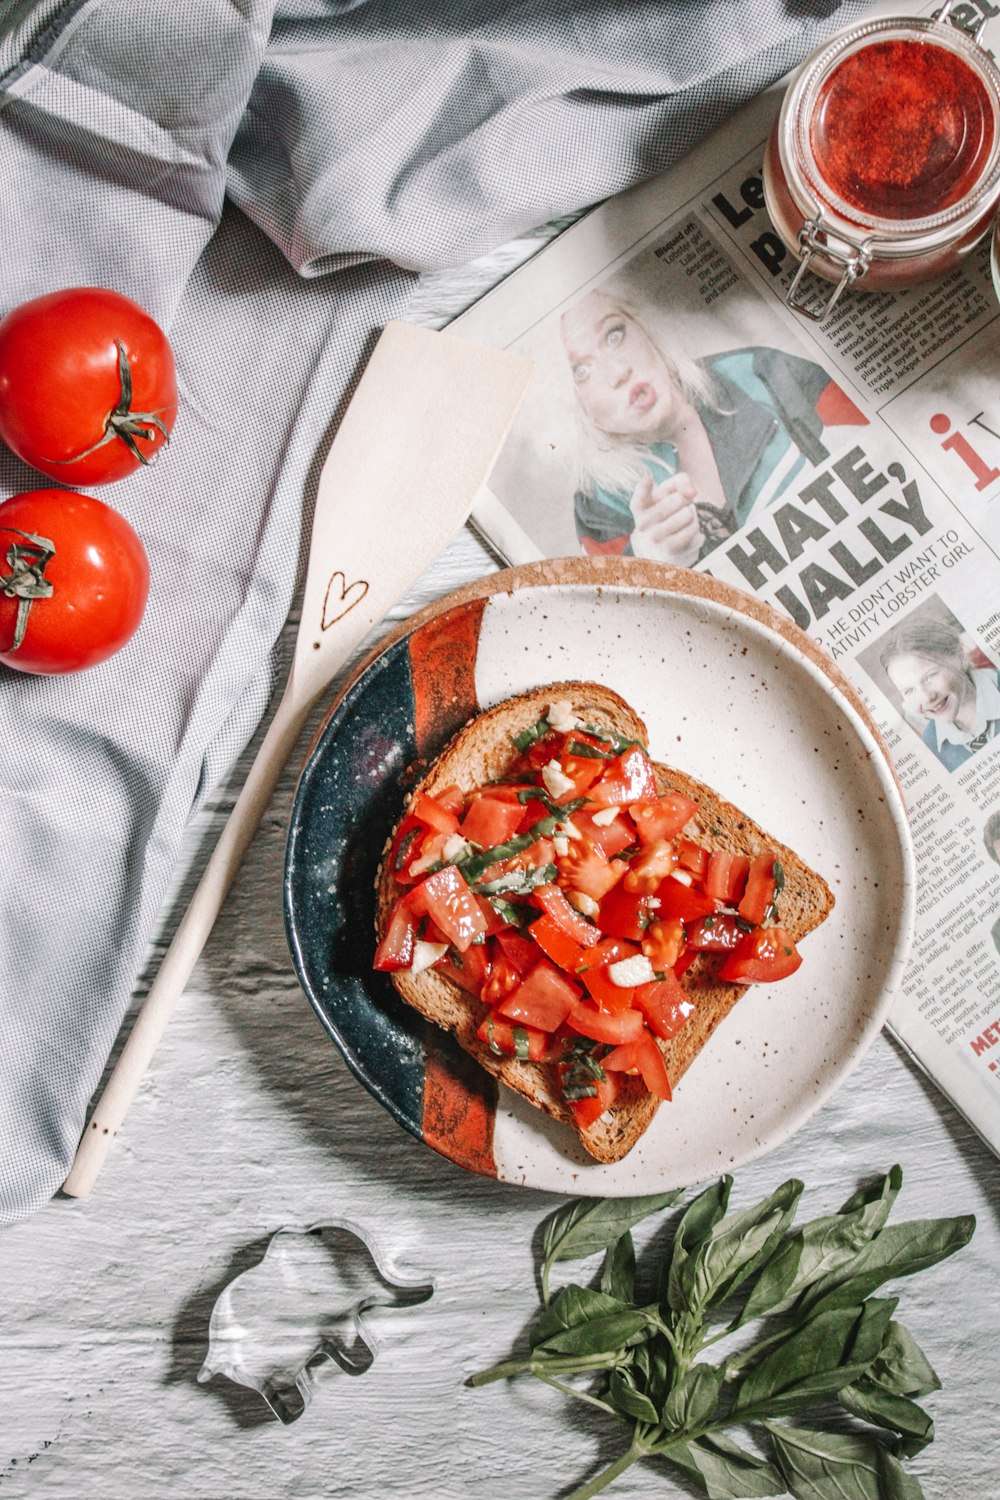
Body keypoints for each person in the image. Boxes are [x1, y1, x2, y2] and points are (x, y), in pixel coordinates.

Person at [559, 289, 865, 563]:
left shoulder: (763, 373)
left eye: (615, 335)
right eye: (581, 370)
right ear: (567, 404)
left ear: (643, 326)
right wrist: (648, 563)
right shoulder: (598, 507)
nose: (619, 371)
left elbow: (884, 457)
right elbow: (621, 617)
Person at [879, 618, 1000, 771]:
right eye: (909, 690)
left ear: (960, 658)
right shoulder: (931, 745)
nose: (927, 697)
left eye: (930, 676)